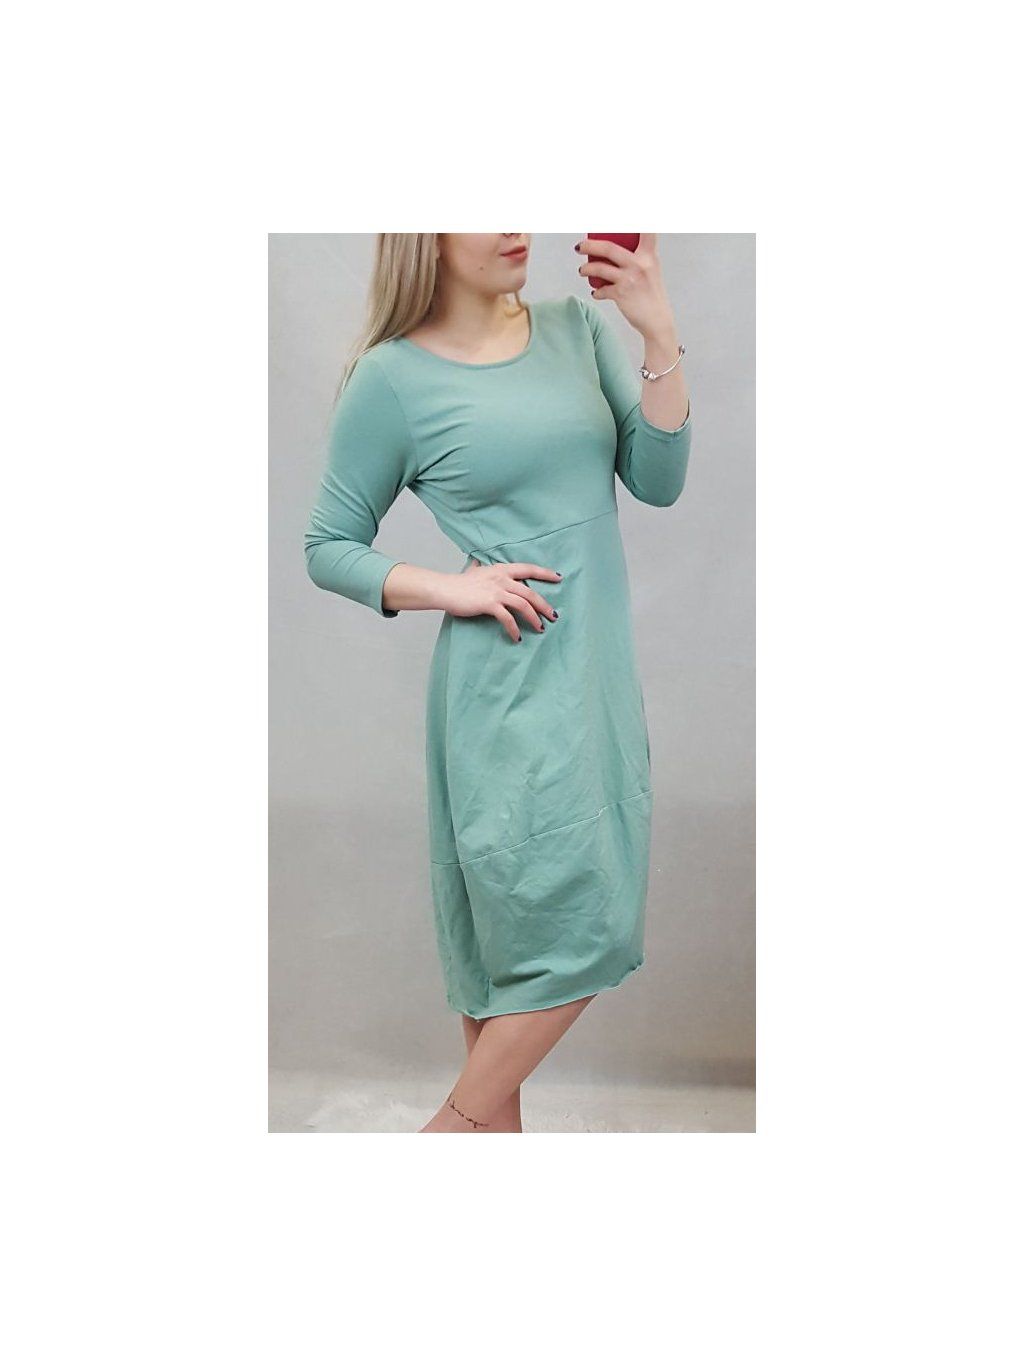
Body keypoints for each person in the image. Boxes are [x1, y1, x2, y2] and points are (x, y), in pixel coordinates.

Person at [305, 233, 692, 1132]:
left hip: (596, 675)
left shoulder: (575, 330)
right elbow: (328, 545)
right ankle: (457, 1131)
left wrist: (657, 329)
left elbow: (659, 479)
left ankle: (469, 1137)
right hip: (506, 688)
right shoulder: (392, 379)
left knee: (552, 936)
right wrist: (451, 586)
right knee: (540, 935)